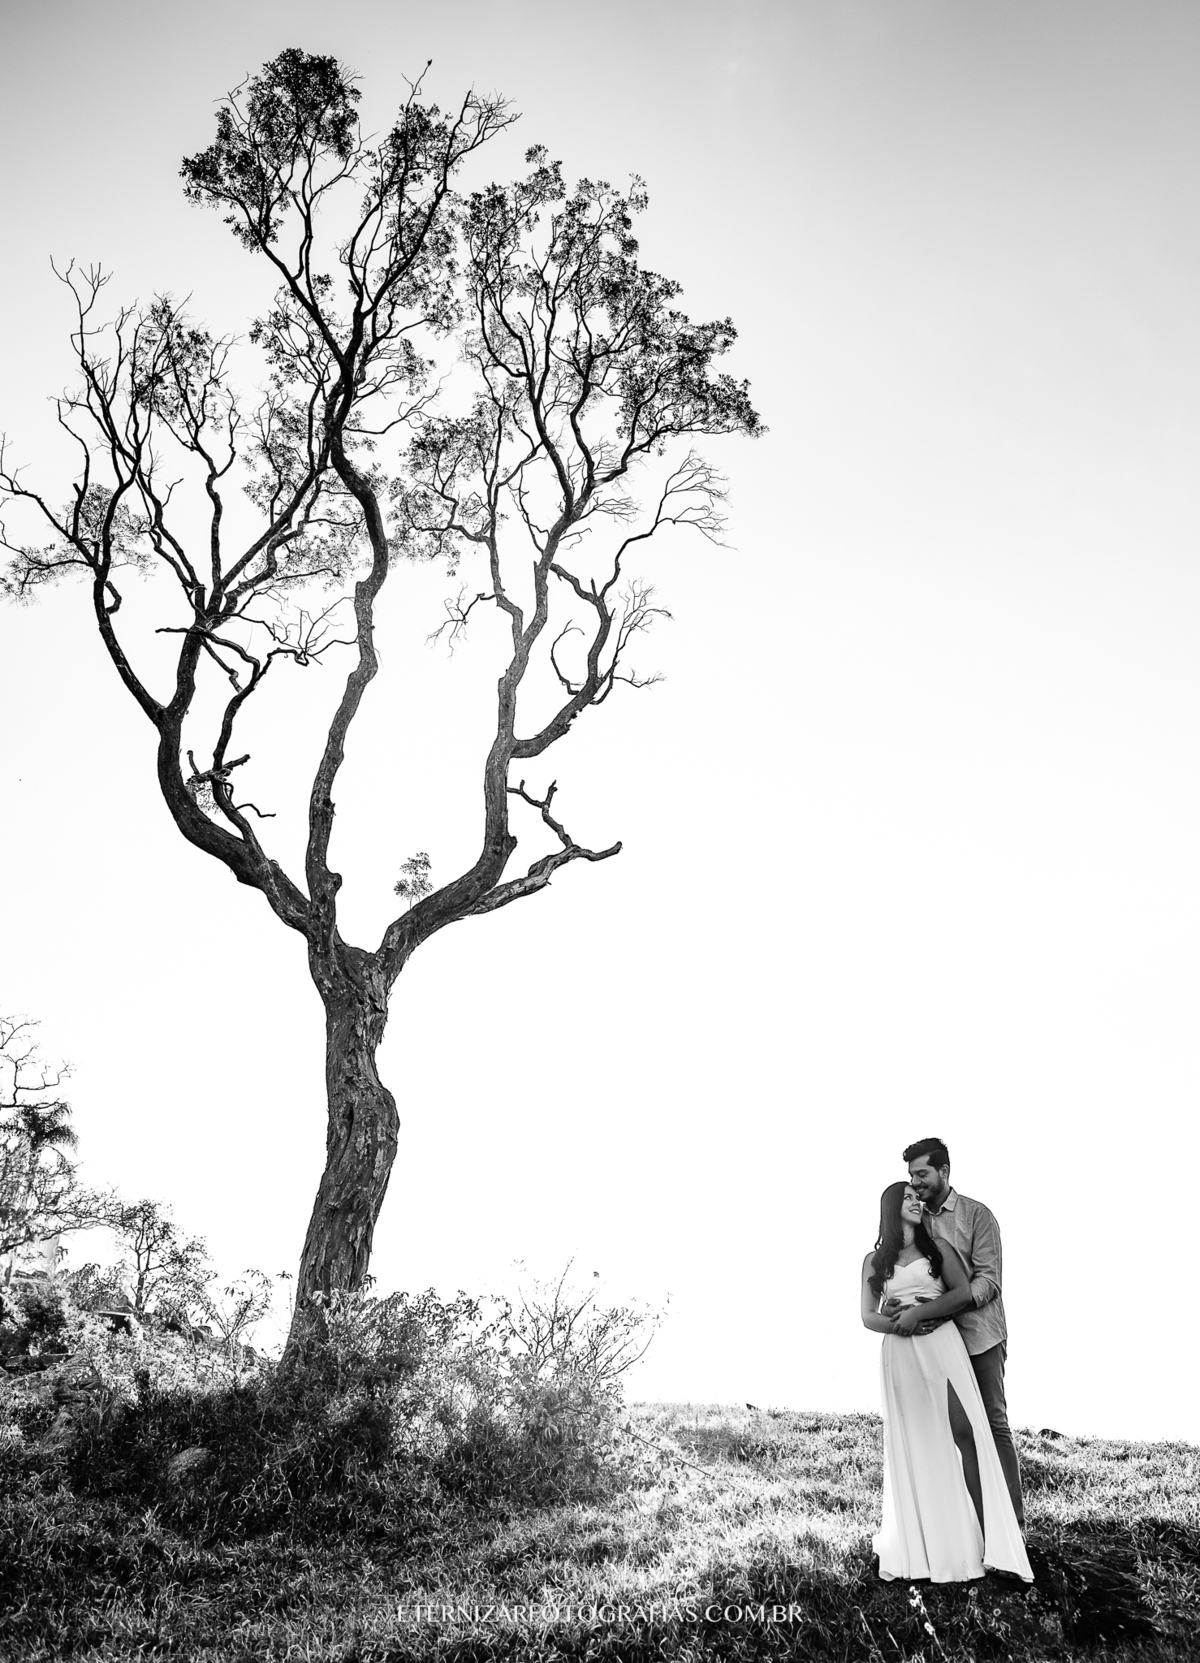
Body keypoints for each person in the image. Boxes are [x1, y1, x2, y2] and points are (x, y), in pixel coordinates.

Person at [862, 1181, 1032, 1583]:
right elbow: (868, 1316)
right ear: (890, 1209)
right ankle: (929, 1545)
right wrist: (900, 1324)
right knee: (917, 1441)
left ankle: (991, 1535)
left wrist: (921, 1315)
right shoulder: (874, 1261)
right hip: (901, 1353)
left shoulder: (939, 1250)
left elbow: (962, 1294)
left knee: (966, 1432)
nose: (916, 1201)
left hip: (942, 1345)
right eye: (907, 1198)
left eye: (917, 1196)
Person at [895, 1137, 1025, 1531]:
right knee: (956, 1433)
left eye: (922, 1174)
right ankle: (972, 1524)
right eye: (911, 1176)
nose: (915, 1183)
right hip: (935, 1344)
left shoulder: (976, 1216)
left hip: (980, 1337)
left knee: (993, 1425)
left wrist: (950, 1305)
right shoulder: (915, 1219)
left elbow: (989, 1280)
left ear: (944, 1172)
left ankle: (1014, 1526)